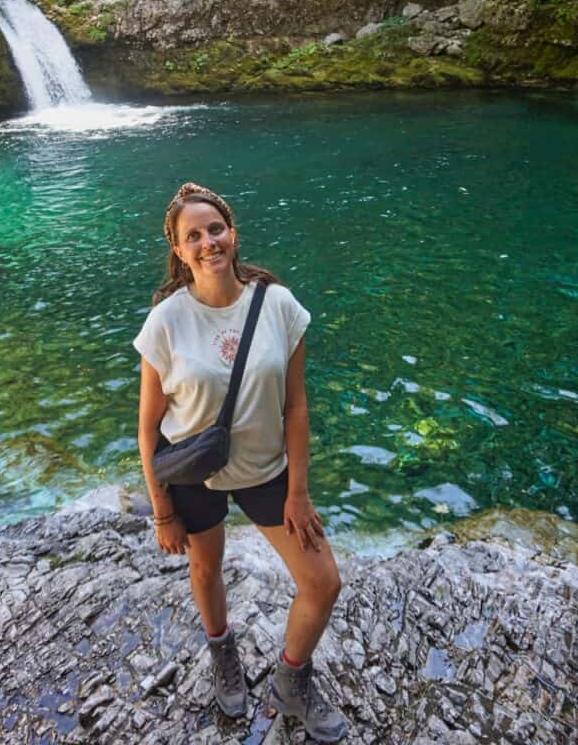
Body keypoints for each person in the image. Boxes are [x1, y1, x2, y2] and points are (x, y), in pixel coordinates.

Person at [134, 182, 347, 743]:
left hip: (265, 469)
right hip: (193, 470)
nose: (208, 242)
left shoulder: (277, 304)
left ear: (233, 233)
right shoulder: (165, 321)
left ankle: (290, 680)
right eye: (193, 236)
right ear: (179, 252)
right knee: (205, 568)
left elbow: (296, 406)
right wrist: (161, 510)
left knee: (322, 582)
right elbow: (148, 426)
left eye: (215, 229)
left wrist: (298, 491)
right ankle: (221, 651)